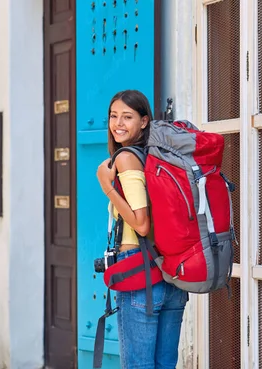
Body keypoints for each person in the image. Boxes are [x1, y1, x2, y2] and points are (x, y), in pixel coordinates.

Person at [96, 89, 188, 369]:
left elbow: (141, 223)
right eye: (114, 116)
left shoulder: (126, 159)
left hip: (140, 276)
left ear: (145, 121)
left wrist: (108, 187)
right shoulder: (158, 156)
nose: (118, 124)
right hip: (172, 276)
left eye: (127, 117)